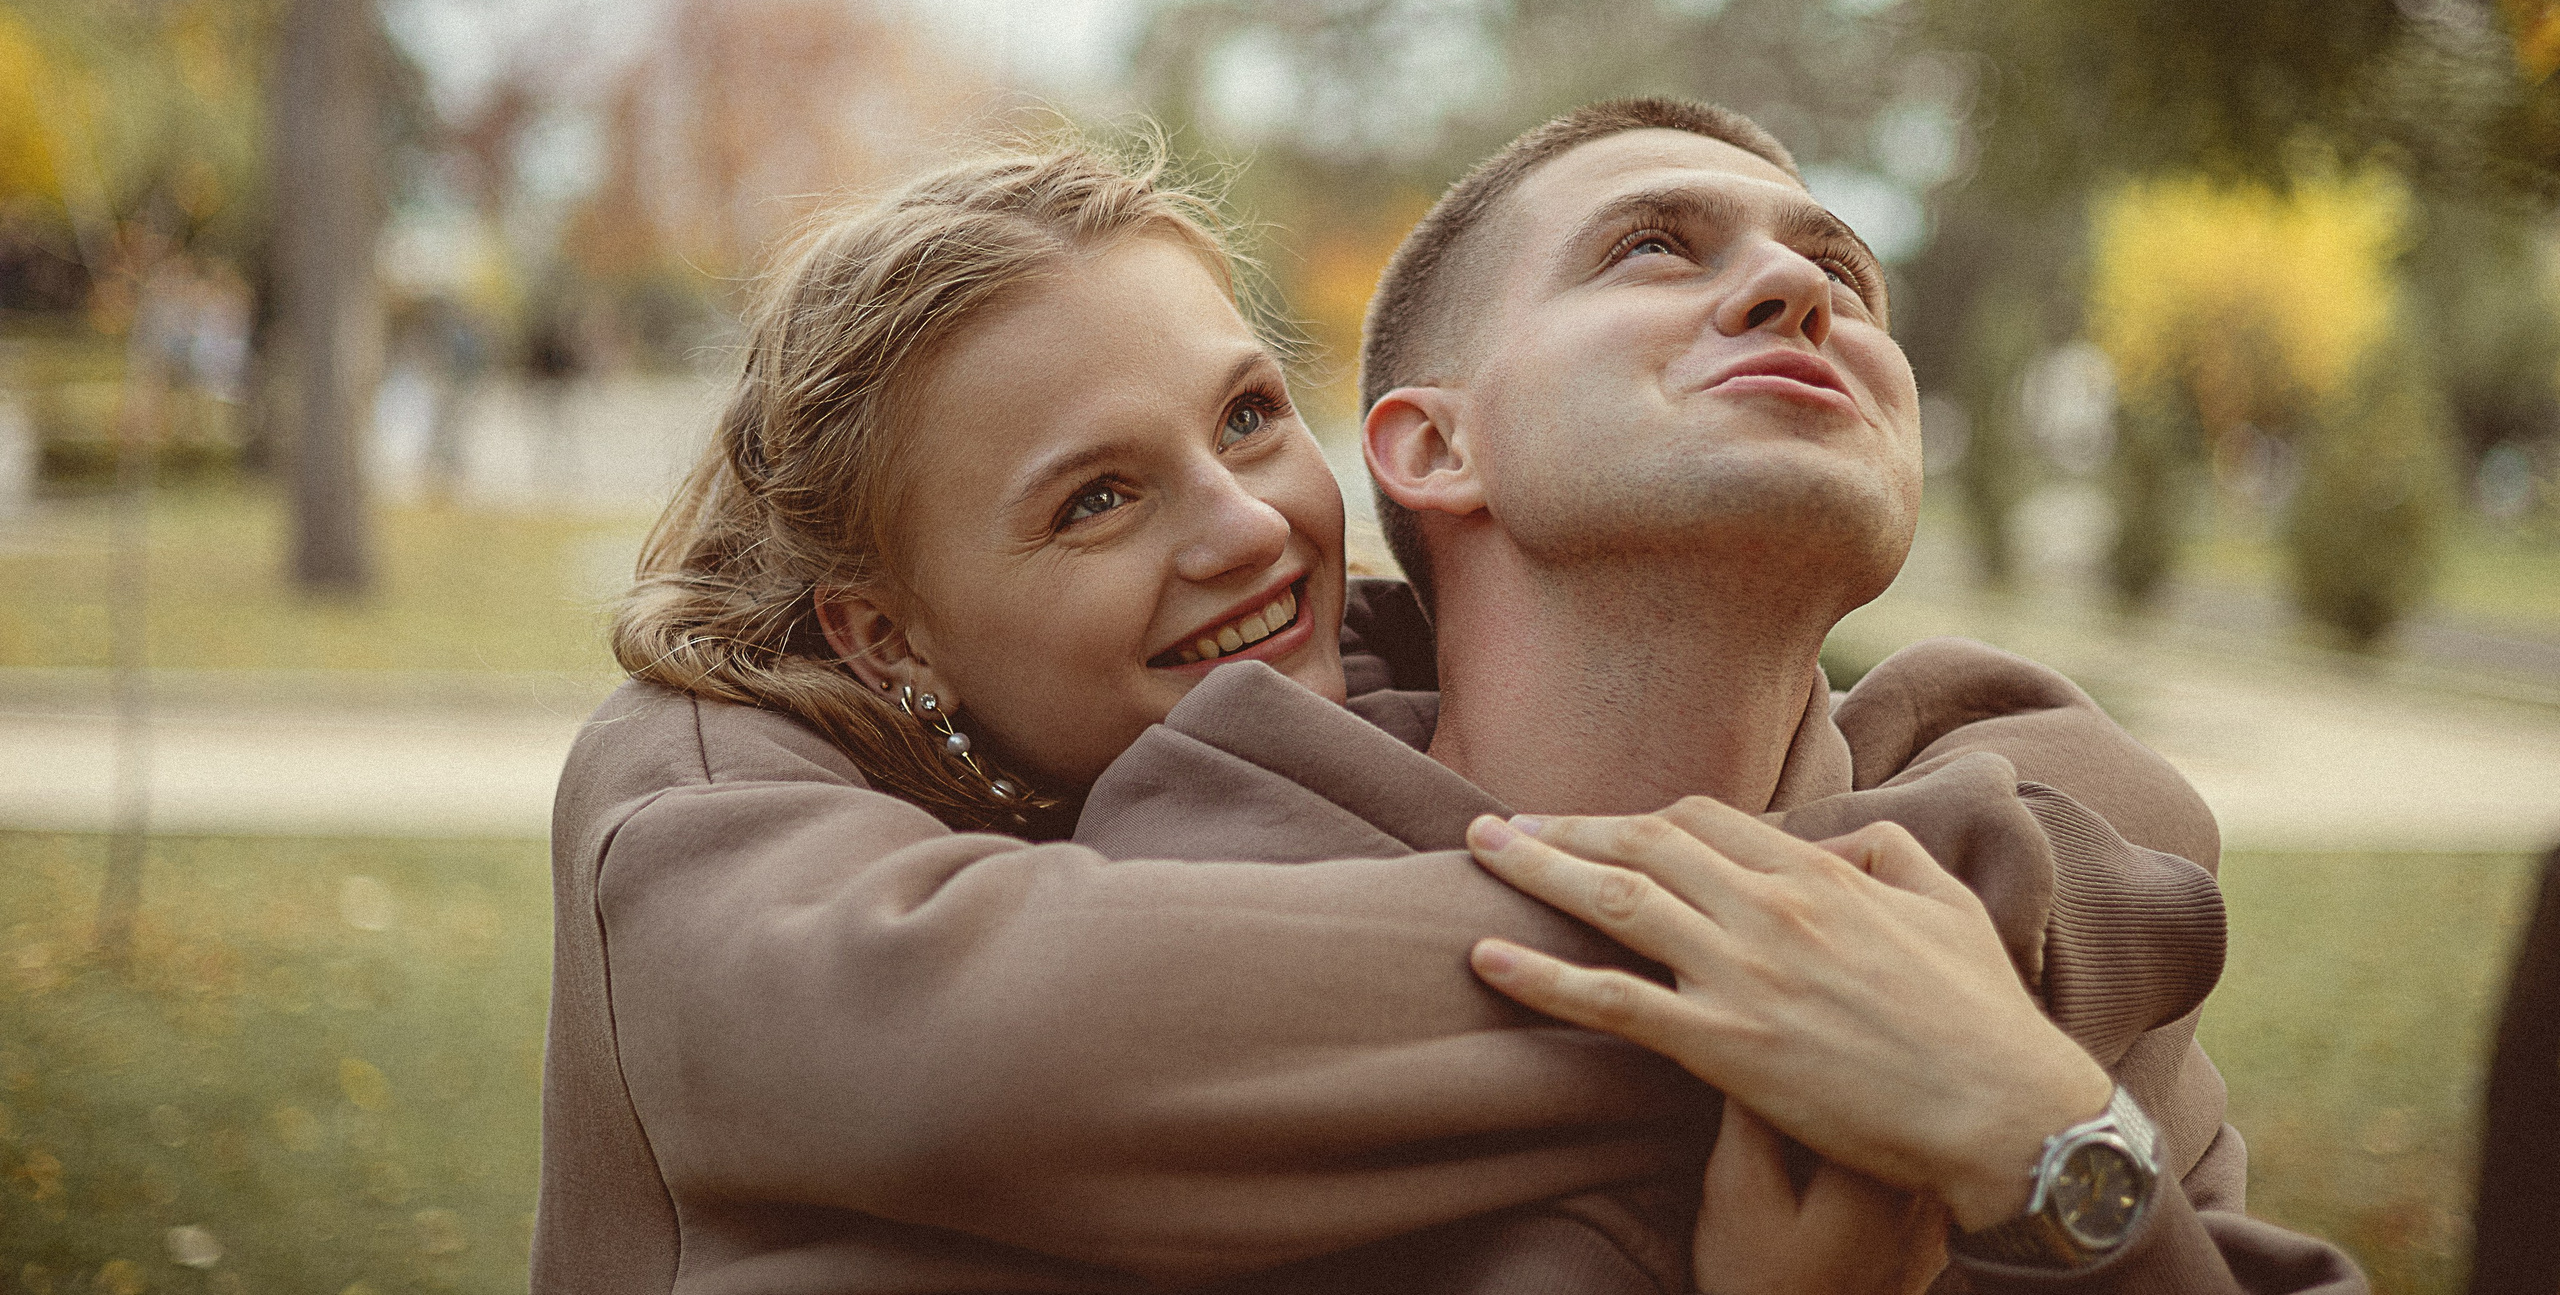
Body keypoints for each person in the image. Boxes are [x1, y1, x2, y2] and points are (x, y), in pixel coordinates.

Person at [535, 131, 2302, 1293]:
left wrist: (2060, 1160)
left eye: (1243, 420)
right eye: (1092, 499)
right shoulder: (961, 972)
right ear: (1428, 443)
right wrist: (1969, 952)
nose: (1244, 524)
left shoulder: (2041, 856)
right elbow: (935, 1047)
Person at [1068, 98, 2363, 1289]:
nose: (1803, 288)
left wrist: (2051, 1143)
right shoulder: (1149, 960)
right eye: (1651, 249)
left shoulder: (2062, 953)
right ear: (1437, 445)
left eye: (1849, 276)